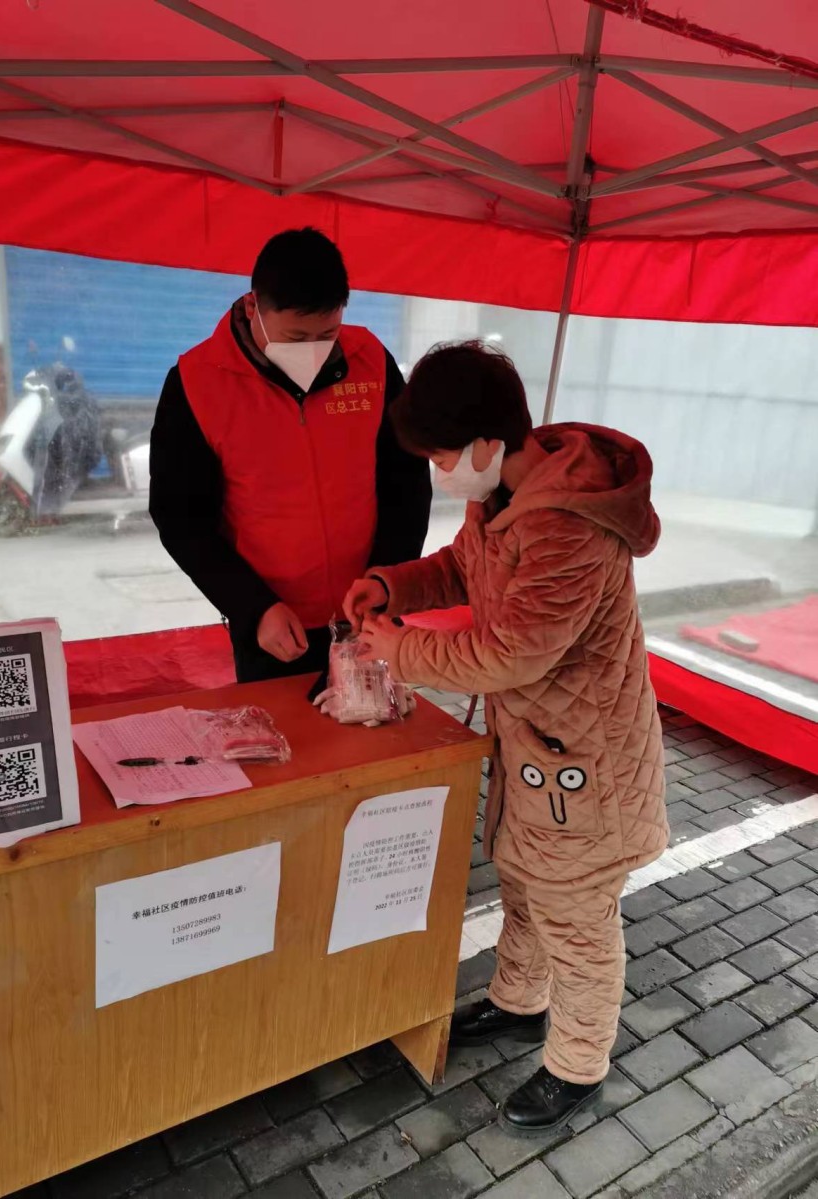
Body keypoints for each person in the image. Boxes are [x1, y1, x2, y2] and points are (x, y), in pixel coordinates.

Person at [344, 341, 668, 1133]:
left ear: (488, 441)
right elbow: (463, 569)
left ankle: (578, 1065)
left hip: (586, 759)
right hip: (536, 746)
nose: (439, 472)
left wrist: (400, 650)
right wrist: (393, 584)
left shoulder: (568, 525)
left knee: (576, 918)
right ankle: (520, 1002)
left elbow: (511, 652)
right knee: (524, 880)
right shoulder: (503, 495)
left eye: (442, 456)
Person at [149, 228, 432, 684]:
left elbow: (407, 484)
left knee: (374, 724)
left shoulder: (371, 362)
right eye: (296, 337)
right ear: (253, 307)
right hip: (274, 625)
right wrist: (251, 606)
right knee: (283, 726)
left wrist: (386, 582)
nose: (313, 352)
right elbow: (180, 518)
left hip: (366, 613)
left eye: (328, 334)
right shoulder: (196, 382)